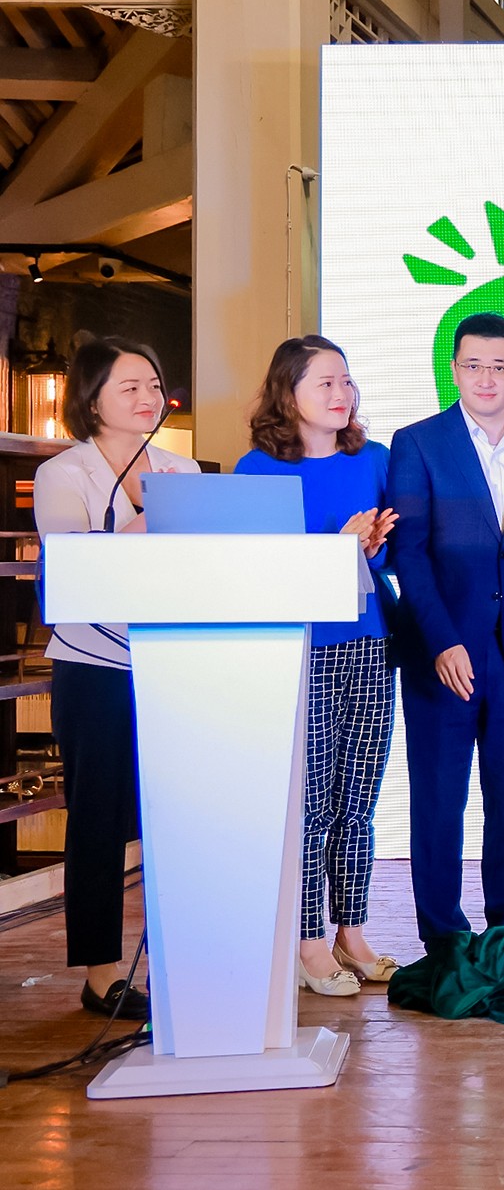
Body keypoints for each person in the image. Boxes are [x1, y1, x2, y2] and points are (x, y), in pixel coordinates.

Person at [33, 336, 201, 1019]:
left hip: (171, 663)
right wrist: (153, 519)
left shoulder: (182, 468)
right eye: (130, 386)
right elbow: (75, 566)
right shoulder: (64, 472)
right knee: (99, 818)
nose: (148, 397)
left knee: (177, 817)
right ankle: (102, 973)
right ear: (92, 398)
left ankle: (180, 964)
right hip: (93, 666)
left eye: (154, 385)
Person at [386, 313, 504, 954]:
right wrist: (442, 641)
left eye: (500, 366)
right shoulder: (418, 443)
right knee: (438, 799)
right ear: (454, 370)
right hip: (442, 655)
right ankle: (444, 939)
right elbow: (410, 553)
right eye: (473, 365)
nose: (487, 378)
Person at [236, 335, 400, 997]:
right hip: (299, 648)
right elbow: (258, 571)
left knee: (357, 800)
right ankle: (306, 940)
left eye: (346, 381)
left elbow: (393, 553)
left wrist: (372, 547)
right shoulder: (257, 470)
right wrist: (336, 548)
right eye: (325, 383)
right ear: (288, 393)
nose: (342, 394)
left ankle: (350, 932)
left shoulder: (375, 458)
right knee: (307, 802)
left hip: (370, 641)